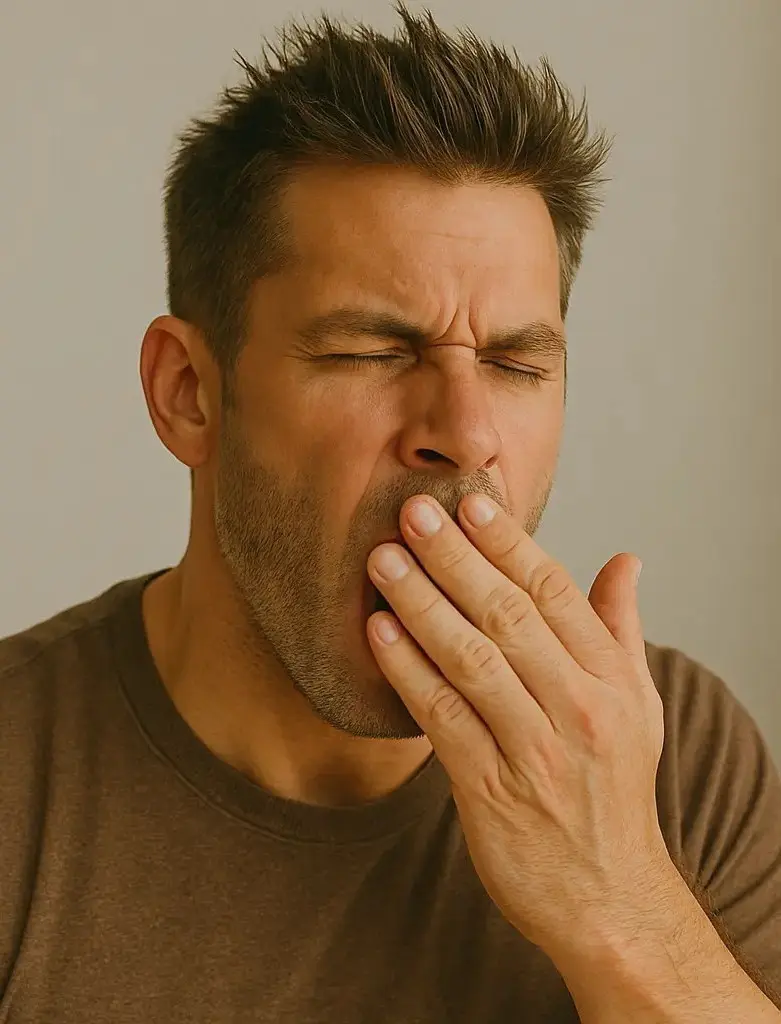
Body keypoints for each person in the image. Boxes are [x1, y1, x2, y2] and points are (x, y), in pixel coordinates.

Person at [2, 4, 780, 1021]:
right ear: (189, 392)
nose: (464, 432)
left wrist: (620, 901)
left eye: (515, 362)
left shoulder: (675, 757)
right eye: (370, 351)